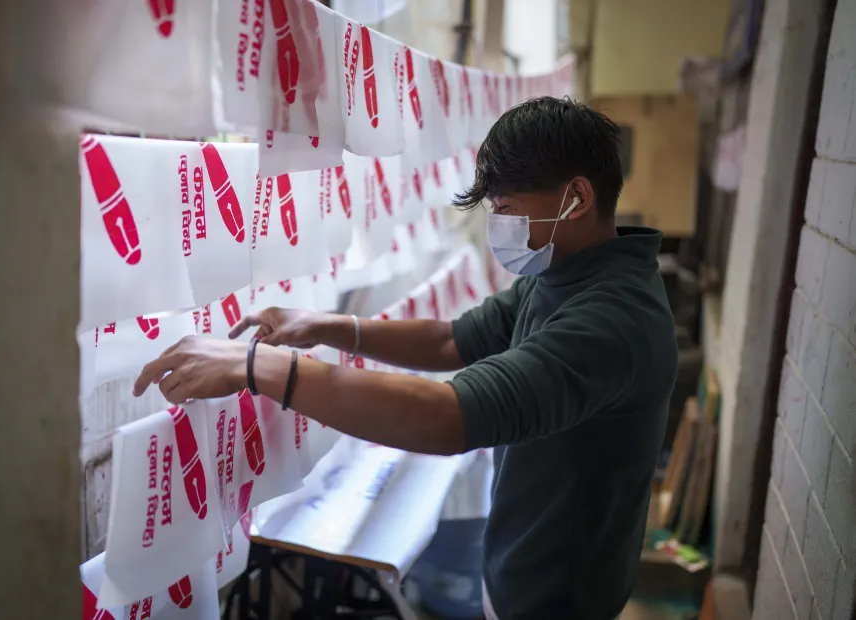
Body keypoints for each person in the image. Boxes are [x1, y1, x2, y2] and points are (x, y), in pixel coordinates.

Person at [133, 96, 677, 620]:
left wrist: (254, 366)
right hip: (520, 566)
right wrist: (326, 326)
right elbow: (451, 341)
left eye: (507, 209)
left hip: (560, 597)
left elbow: (447, 416)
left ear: (576, 198)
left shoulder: (612, 322)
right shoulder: (562, 273)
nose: (499, 225)